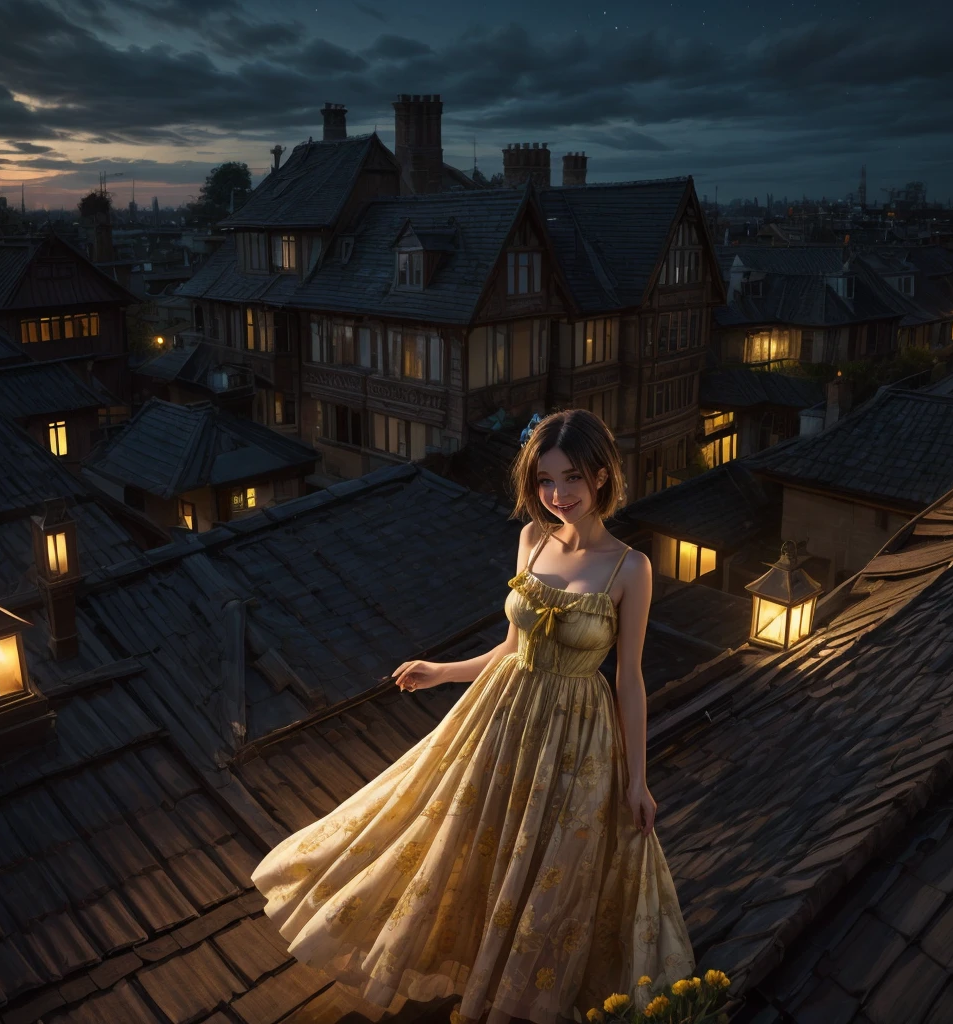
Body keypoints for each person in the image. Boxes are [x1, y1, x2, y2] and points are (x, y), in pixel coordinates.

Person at [251, 408, 694, 1024]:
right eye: (545, 480)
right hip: (505, 714)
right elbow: (511, 649)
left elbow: (630, 680)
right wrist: (441, 670)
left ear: (600, 475)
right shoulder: (532, 539)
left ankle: (520, 991)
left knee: (553, 865)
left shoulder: (630, 568)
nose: (558, 494)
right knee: (469, 836)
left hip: (577, 737)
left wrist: (638, 781)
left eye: (571, 478)